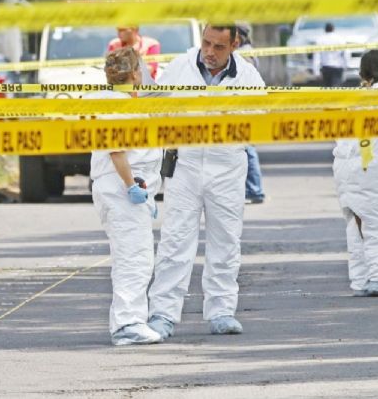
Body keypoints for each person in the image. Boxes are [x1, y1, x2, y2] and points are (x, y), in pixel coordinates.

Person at [147, 23, 266, 338]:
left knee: (226, 241)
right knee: (174, 241)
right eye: (206, 43)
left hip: (227, 166)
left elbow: (262, 119)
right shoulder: (180, 67)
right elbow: (154, 106)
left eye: (219, 47)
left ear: (235, 44)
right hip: (185, 164)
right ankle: (162, 314)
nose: (210, 53)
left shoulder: (249, 76)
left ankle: (222, 311)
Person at [90, 48, 164, 346]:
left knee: (134, 256)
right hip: (123, 189)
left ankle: (129, 320)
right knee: (134, 258)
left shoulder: (116, 101)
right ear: (134, 74)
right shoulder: (117, 104)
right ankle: (128, 323)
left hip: (126, 189)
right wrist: (132, 185)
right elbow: (116, 149)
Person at [333, 50, 378, 297]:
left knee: (357, 226)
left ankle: (361, 279)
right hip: (371, 164)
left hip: (344, 166)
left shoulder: (351, 98)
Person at [236, 22, 266, 205]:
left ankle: (255, 190)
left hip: (245, 108)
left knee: (248, 149)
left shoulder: (244, 53)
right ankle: (253, 189)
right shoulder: (247, 50)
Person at [317, 22, 348, 87]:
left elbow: (317, 56)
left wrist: (316, 71)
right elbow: (345, 54)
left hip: (325, 67)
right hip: (338, 66)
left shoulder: (320, 40)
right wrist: (345, 66)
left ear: (325, 30)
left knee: (327, 88)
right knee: (336, 87)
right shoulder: (340, 39)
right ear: (333, 29)